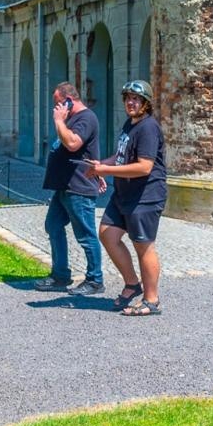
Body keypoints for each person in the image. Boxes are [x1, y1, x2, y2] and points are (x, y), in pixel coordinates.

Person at [86, 80, 167, 316]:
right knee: (107, 233)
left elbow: (144, 167)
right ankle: (132, 284)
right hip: (124, 193)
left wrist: (105, 171)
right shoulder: (130, 125)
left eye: (136, 99)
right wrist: (102, 165)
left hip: (145, 195)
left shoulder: (148, 128)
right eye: (127, 98)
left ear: (146, 103)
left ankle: (151, 300)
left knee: (144, 246)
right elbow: (121, 157)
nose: (130, 103)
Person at [33, 82, 105, 295]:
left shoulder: (86, 118)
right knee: (53, 225)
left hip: (79, 188)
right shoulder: (72, 119)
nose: (56, 108)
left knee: (85, 234)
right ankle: (60, 275)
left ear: (68, 101)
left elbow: (73, 144)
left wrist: (58, 121)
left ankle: (95, 280)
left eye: (58, 103)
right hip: (65, 187)